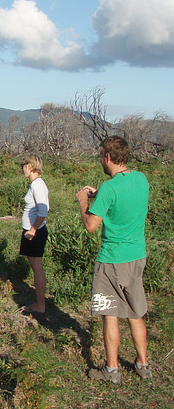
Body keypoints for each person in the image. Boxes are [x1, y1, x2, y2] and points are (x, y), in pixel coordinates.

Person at [76, 136, 152, 384]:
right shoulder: (141, 179)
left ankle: (111, 370)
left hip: (112, 259)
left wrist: (84, 202)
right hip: (137, 256)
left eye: (101, 157)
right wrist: (102, 195)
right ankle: (143, 364)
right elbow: (124, 200)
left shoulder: (108, 188)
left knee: (110, 314)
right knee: (135, 312)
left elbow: (91, 225)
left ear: (107, 157)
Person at [19, 154, 49, 314]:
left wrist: (32, 230)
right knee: (35, 266)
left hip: (35, 232)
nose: (22, 168)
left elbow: (44, 211)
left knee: (37, 268)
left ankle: (40, 305)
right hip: (33, 231)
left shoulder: (37, 185)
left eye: (23, 164)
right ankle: (40, 302)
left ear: (30, 166)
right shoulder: (35, 184)